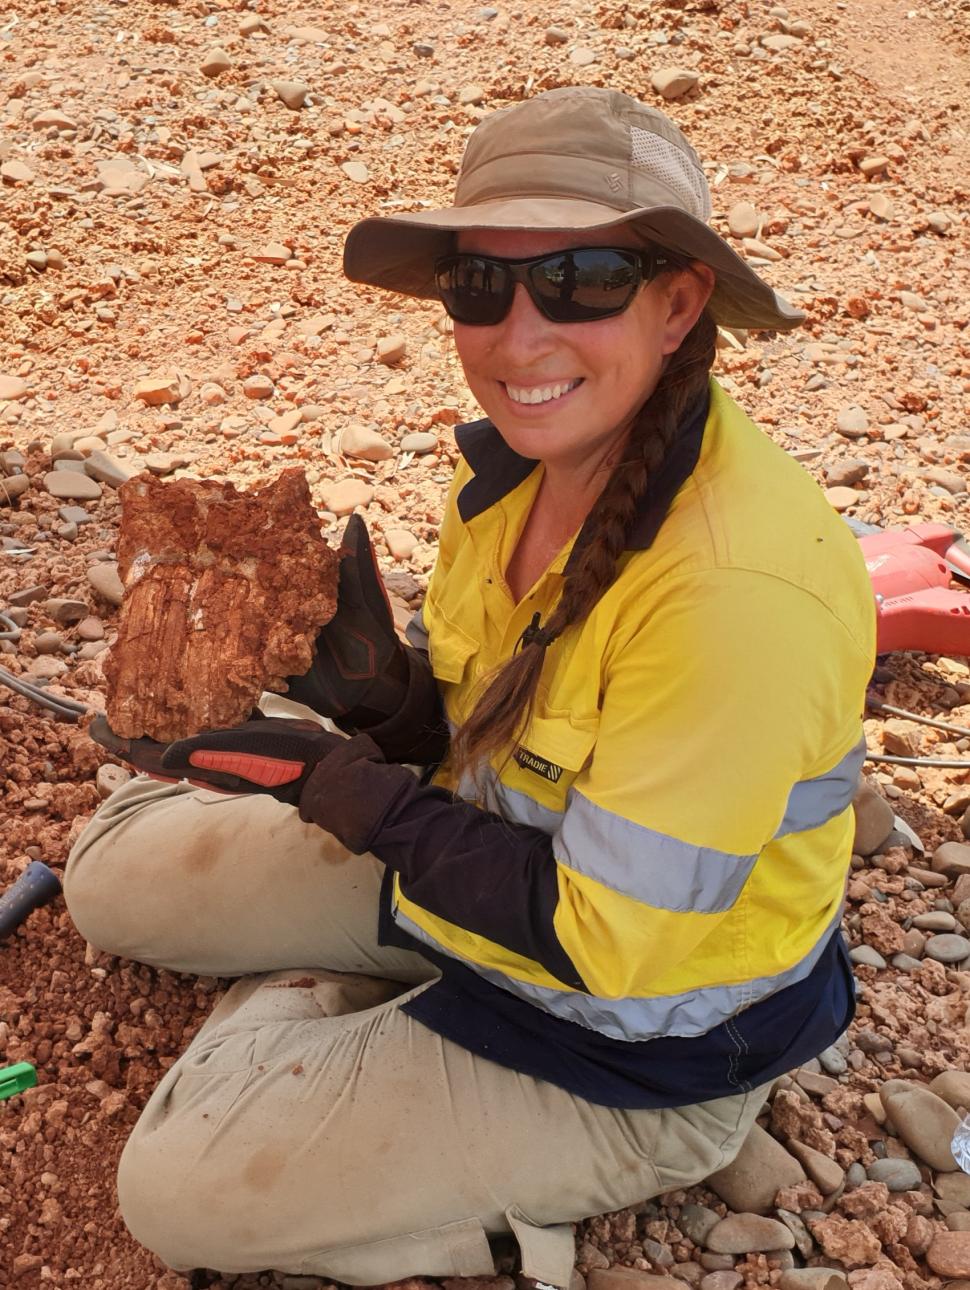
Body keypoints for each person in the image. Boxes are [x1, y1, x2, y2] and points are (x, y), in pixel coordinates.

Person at [65, 86, 875, 1285]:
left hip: (634, 1040)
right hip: (479, 885)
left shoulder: (733, 595)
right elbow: (485, 743)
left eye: (582, 278)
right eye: (481, 286)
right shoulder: (510, 477)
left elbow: (608, 945)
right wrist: (383, 701)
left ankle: (441, 1129)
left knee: (177, 1190)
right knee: (103, 886)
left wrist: (352, 795)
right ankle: (357, 1017)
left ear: (678, 301)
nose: (519, 334)